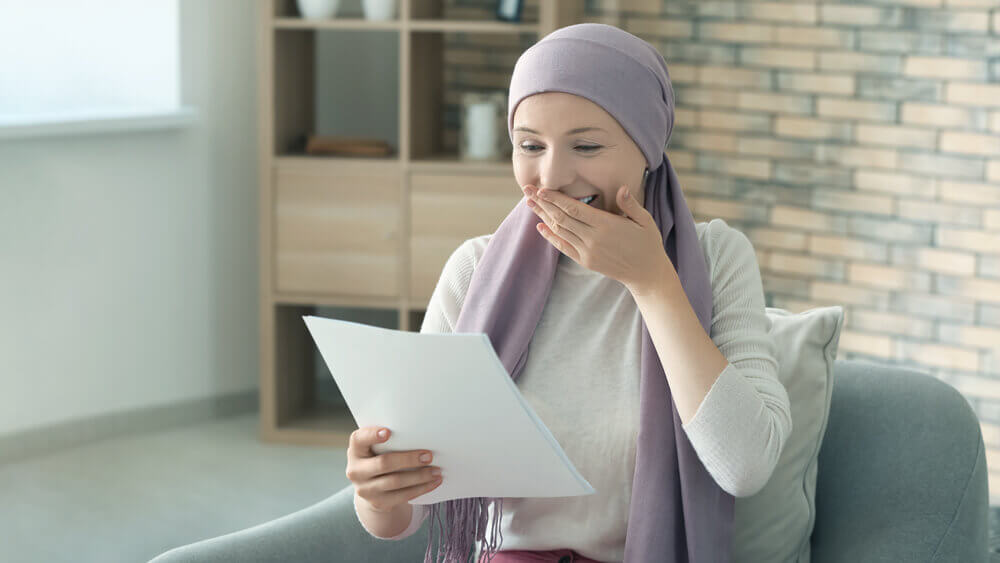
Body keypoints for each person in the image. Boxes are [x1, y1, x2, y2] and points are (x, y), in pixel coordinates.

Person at [349, 23, 792, 563]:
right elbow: (409, 512)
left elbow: (745, 466)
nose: (552, 176)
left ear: (647, 147)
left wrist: (652, 283)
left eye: (586, 145)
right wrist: (376, 494)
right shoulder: (473, 269)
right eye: (529, 146)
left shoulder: (718, 258)